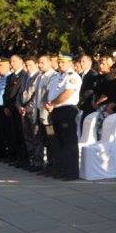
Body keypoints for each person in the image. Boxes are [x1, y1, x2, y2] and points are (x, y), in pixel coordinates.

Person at [44, 53, 83, 181]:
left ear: (71, 63)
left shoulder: (73, 76)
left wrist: (53, 103)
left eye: (63, 62)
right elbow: (50, 92)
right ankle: (62, 169)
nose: (60, 64)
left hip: (67, 110)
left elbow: (68, 93)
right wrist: (49, 103)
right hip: (55, 110)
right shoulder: (57, 76)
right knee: (58, 142)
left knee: (69, 143)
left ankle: (72, 172)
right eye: (59, 62)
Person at [18, 57, 42, 170]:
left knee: (36, 137)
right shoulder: (25, 76)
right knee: (27, 137)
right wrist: (19, 106)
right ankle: (31, 160)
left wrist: (27, 108)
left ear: (36, 65)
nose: (28, 67)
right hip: (23, 110)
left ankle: (38, 162)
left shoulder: (39, 76)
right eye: (26, 65)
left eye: (30, 65)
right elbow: (20, 93)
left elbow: (36, 96)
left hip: (33, 111)